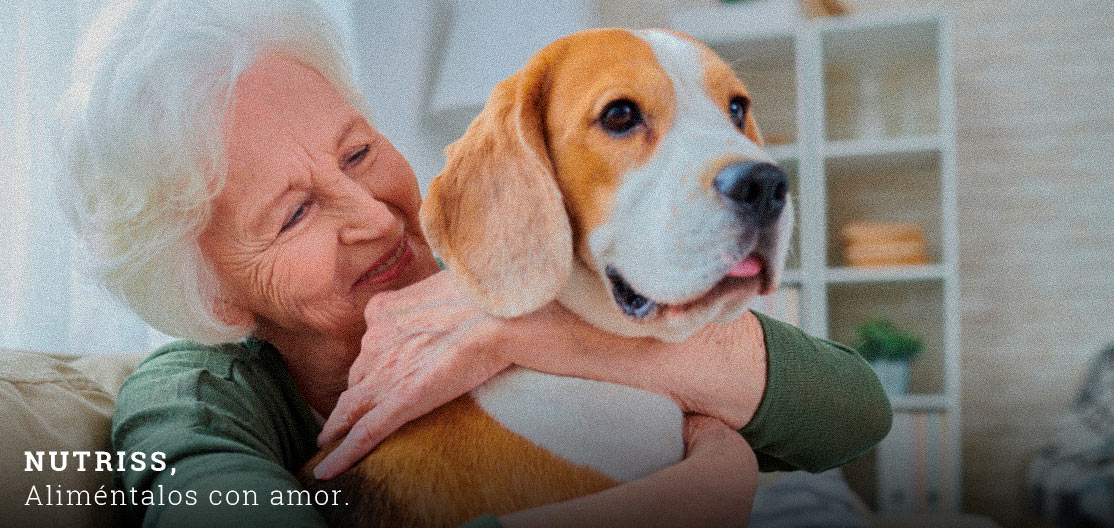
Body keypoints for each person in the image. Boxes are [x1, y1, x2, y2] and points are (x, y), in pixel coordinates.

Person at [55, 0, 891, 526]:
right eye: (297, 212)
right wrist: (714, 480)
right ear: (215, 292)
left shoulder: (509, 259)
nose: (372, 215)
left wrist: (525, 333)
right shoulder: (192, 397)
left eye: (356, 153)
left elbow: (853, 410)